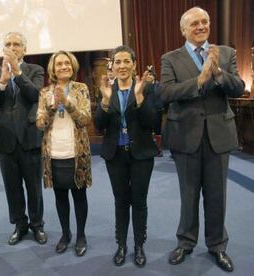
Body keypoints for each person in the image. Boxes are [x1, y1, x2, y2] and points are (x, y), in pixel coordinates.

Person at [159, 7, 245, 272]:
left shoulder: (226, 53)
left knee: (217, 195)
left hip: (219, 135)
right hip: (185, 136)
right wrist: (199, 80)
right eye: (194, 23)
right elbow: (165, 93)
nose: (201, 26)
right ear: (183, 30)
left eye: (204, 21)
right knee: (188, 194)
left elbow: (239, 88)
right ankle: (185, 242)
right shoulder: (170, 58)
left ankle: (217, 246)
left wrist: (218, 73)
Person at [94, 46, 159, 267]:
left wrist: (140, 98)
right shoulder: (106, 89)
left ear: (134, 64)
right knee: (121, 202)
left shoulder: (146, 88)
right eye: (117, 62)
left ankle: (139, 245)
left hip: (141, 154)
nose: (122, 66)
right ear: (112, 65)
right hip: (115, 155)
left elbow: (153, 123)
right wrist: (104, 101)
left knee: (139, 202)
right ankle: (121, 245)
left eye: (126, 61)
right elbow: (99, 126)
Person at [0, 32, 47, 245]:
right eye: (8, 44)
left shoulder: (36, 70)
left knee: (33, 186)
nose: (12, 47)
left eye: (17, 44)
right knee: (12, 187)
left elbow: (34, 95)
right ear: (2, 48)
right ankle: (19, 224)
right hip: (5, 139)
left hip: (29, 137)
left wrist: (18, 72)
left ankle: (37, 224)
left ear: (25, 49)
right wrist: (3, 82)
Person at [37, 51, 91, 256]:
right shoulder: (44, 92)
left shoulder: (81, 89)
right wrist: (52, 107)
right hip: (54, 153)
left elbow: (85, 119)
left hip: (77, 152)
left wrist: (67, 102)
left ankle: (81, 235)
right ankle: (66, 234)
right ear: (53, 68)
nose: (63, 67)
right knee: (60, 196)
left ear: (73, 66)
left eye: (67, 63)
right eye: (59, 64)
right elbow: (40, 124)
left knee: (79, 195)